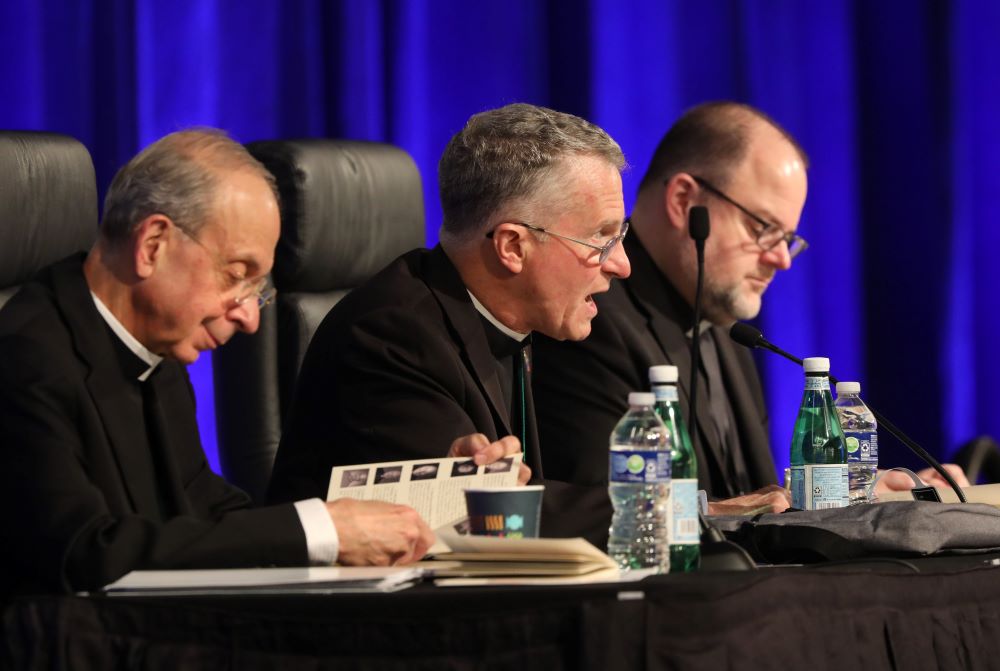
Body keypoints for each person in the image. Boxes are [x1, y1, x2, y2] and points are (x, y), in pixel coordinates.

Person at [0, 129, 510, 594]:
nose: (248, 318)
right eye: (236, 274)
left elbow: (207, 510)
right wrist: (318, 532)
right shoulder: (23, 358)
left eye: (257, 289)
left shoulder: (157, 349)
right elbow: (83, 554)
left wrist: (425, 491)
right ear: (153, 245)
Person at [532, 101, 968, 546]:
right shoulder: (587, 316)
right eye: (764, 227)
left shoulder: (726, 325)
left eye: (788, 239)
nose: (781, 258)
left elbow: (760, 502)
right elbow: (614, 515)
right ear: (685, 202)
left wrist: (857, 494)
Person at [268, 104, 631, 537]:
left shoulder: (509, 322)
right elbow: (481, 516)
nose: (621, 265)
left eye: (619, 235)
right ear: (512, 246)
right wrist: (665, 510)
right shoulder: (392, 337)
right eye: (600, 238)